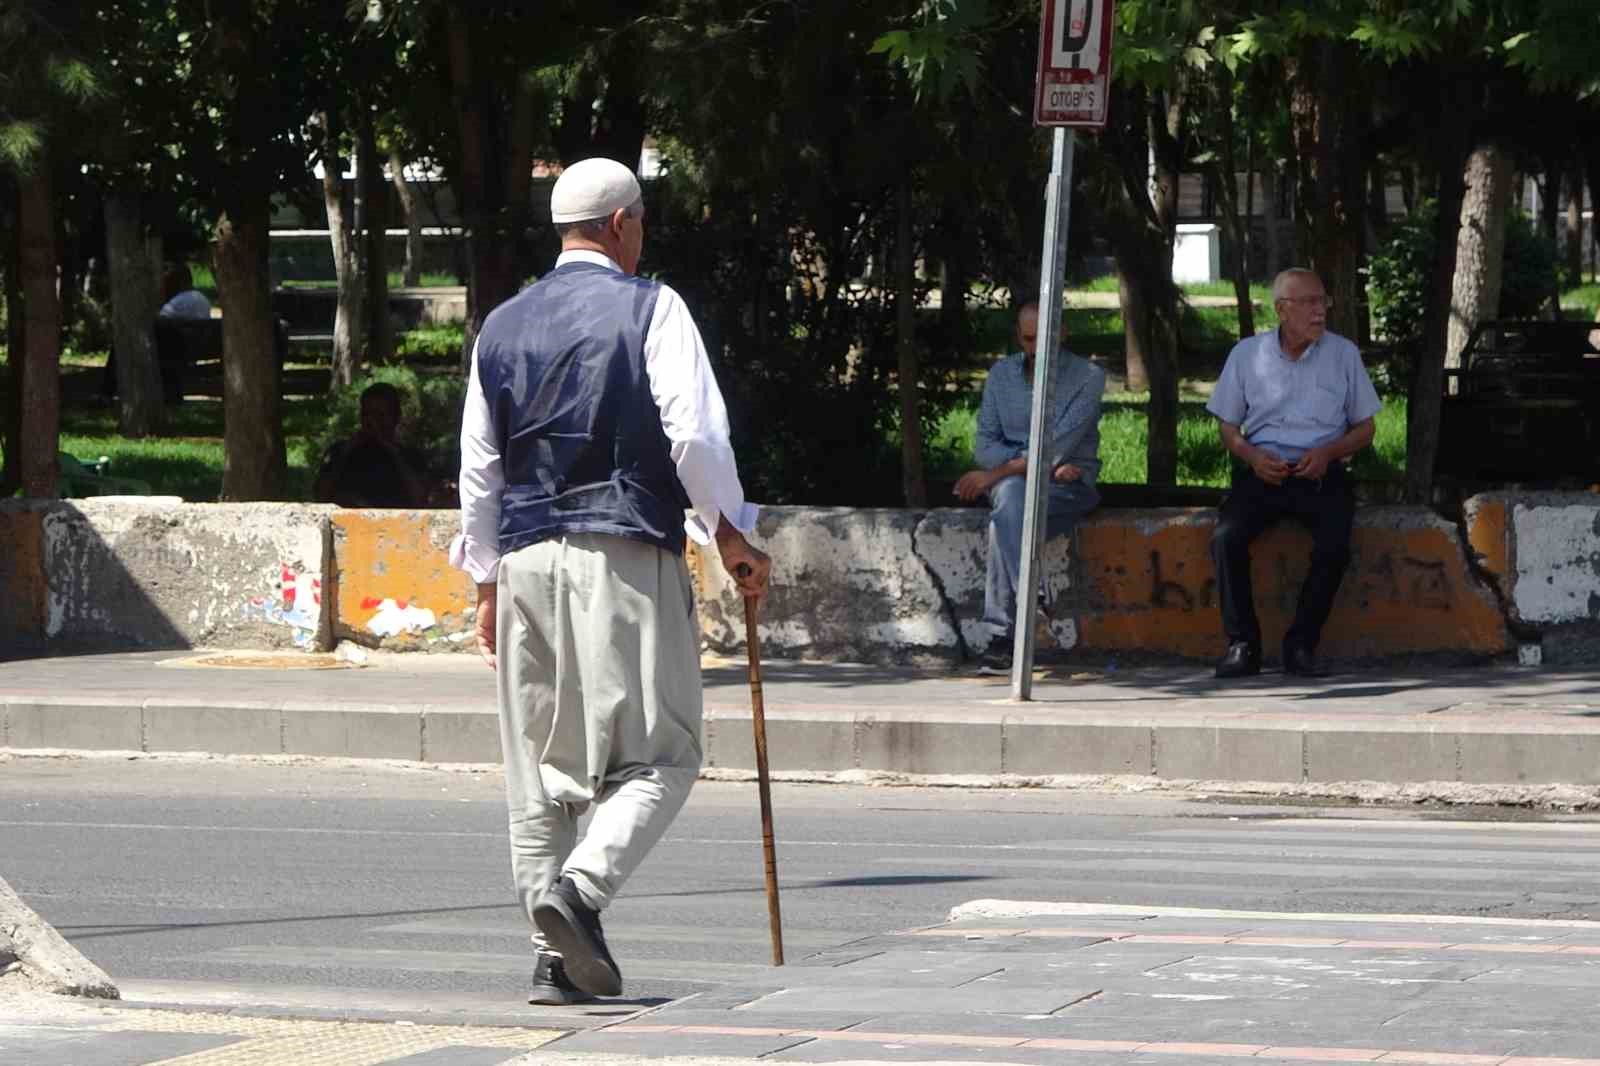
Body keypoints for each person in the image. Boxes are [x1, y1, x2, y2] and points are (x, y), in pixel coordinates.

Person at [450, 156, 772, 1006]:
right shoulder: (652, 307)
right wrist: (730, 533)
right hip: (624, 550)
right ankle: (581, 894)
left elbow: (479, 470)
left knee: (536, 770)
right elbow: (694, 436)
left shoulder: (501, 324)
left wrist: (484, 582)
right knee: (664, 754)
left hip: (522, 559)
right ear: (624, 224)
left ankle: (553, 958)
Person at [1206, 267, 1382, 680]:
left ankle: (1301, 644)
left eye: (1324, 302)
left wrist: (1329, 452)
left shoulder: (1343, 355)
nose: (1320, 312)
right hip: (1263, 470)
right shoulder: (1247, 355)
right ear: (1283, 309)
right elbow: (1228, 428)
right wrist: (1251, 456)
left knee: (1335, 545)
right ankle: (1242, 645)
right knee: (1226, 538)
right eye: (1310, 303)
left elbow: (1367, 428)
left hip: (1321, 470)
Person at [954, 301, 1104, 676]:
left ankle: (1002, 637)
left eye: (1044, 337)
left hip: (1068, 489)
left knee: (1004, 510)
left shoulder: (1089, 376)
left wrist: (1001, 472)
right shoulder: (1000, 376)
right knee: (1013, 497)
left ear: (1063, 333)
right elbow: (984, 446)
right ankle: (1029, 596)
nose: (1036, 347)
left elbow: (1053, 446)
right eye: (1028, 338)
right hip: (1029, 484)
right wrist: (1038, 466)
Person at [314, 382, 430, 508]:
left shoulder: (411, 456)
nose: (372, 421)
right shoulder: (340, 451)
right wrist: (345, 453)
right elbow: (321, 497)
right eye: (366, 414)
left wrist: (394, 453)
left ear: (396, 417)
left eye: (380, 415)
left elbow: (421, 500)